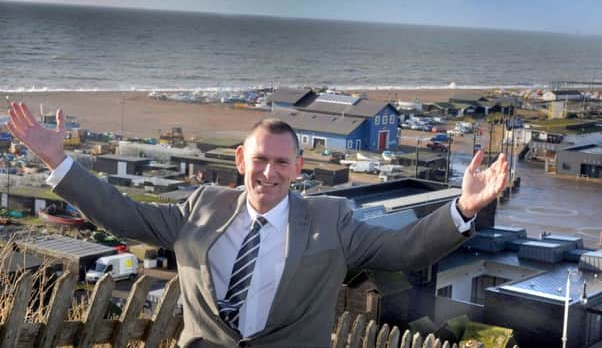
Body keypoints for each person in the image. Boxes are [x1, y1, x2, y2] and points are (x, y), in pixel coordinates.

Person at [6, 102, 508, 348]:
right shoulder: (201, 207)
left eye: (282, 163)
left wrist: (463, 209)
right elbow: (123, 215)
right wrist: (60, 163)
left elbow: (406, 251)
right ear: (242, 159)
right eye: (261, 160)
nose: (270, 172)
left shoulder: (331, 220)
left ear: (298, 168)